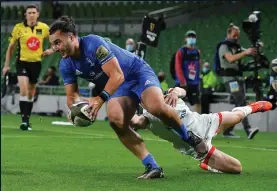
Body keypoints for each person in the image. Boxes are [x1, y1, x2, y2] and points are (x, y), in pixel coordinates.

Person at [49, 16, 207, 179]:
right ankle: (152, 166)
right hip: (119, 87)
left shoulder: (93, 44)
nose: (55, 48)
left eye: (57, 42)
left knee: (156, 107)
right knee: (116, 120)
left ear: (71, 37)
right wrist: (77, 109)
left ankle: (189, 137)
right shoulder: (65, 64)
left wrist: (99, 99)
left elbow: (117, 75)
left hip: (136, 72)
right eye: (53, 44)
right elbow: (72, 96)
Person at [130, 87, 272, 174]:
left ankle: (252, 107)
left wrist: (175, 93)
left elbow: (182, 90)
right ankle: (208, 165)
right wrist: (126, 118)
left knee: (238, 116)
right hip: (198, 149)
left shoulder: (169, 95)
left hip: (205, 123)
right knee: (237, 168)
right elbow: (136, 121)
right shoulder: (147, 118)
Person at [2, 4, 54, 131]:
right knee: (24, 90)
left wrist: (51, 50)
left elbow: (55, 42)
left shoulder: (44, 28)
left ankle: (27, 119)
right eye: (29, 13)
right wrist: (6, 65)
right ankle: (24, 121)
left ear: (38, 14)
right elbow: (11, 48)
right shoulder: (18, 28)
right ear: (25, 15)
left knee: (31, 93)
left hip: (36, 64)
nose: (31, 15)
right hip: (22, 62)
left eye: (33, 12)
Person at [215, 23, 260, 139]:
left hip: (238, 78)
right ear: (228, 34)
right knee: (241, 102)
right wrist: (246, 52)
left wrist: (256, 48)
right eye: (234, 35)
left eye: (237, 36)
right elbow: (230, 58)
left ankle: (227, 130)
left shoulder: (237, 47)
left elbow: (249, 52)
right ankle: (248, 129)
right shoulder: (224, 47)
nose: (236, 38)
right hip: (230, 80)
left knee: (239, 104)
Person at [175, 30, 201, 113]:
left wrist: (198, 80)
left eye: (193, 37)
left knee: (197, 102)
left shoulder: (197, 52)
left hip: (194, 83)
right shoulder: (181, 51)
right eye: (189, 36)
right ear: (185, 39)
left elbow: (198, 66)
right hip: (183, 83)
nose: (191, 38)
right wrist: (182, 81)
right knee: (178, 104)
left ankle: (198, 122)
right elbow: (178, 67)